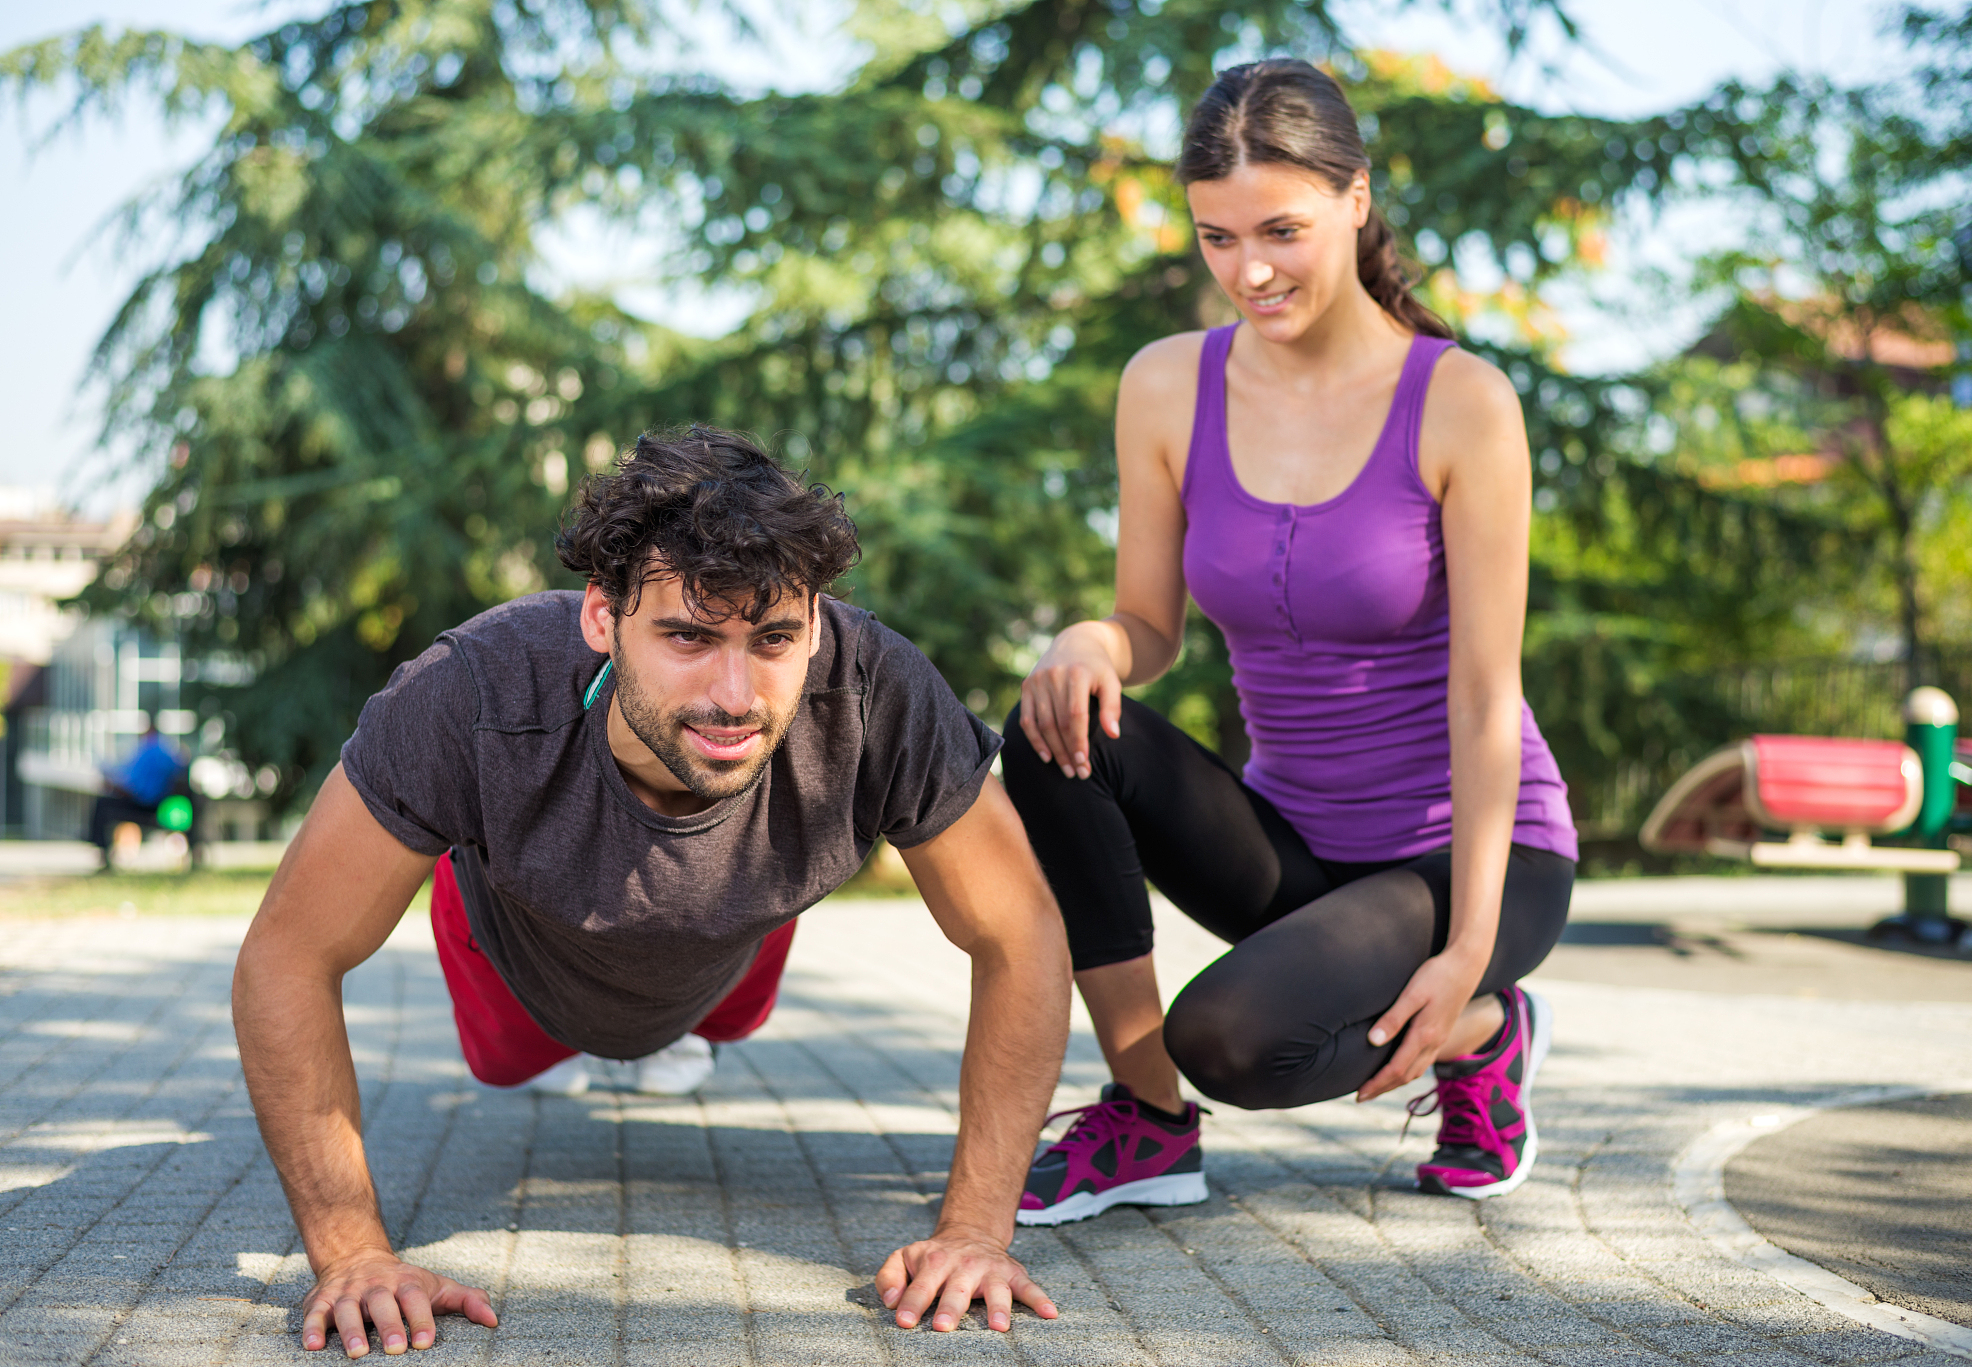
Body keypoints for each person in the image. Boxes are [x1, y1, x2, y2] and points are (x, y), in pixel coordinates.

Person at [233, 426, 1072, 1358]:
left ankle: (695, 1015)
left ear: (816, 626)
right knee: (509, 1066)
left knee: (729, 993)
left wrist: (975, 1232)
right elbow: (288, 952)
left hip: (738, 932)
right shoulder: (472, 690)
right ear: (602, 617)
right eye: (687, 634)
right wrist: (350, 1251)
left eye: (774, 639)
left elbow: (1022, 932)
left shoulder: (879, 692)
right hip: (520, 950)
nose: (734, 692)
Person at [1003, 59, 1579, 1225]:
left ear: (1355, 198)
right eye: (1216, 238)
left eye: (1280, 229)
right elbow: (1147, 626)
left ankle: (1485, 1034)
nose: (1248, 271)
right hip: (1296, 849)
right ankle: (1149, 1118)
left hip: (1472, 859)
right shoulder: (1167, 385)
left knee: (1231, 1036)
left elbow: (1484, 697)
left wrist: (1466, 954)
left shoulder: (1461, 402)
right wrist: (1086, 641)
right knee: (1051, 726)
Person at [88, 722, 186, 871]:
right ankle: (101, 850)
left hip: (145, 805)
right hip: (158, 803)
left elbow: (134, 788)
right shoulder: (167, 751)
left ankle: (101, 851)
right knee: (105, 803)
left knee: (102, 804)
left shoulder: (148, 752)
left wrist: (113, 786)